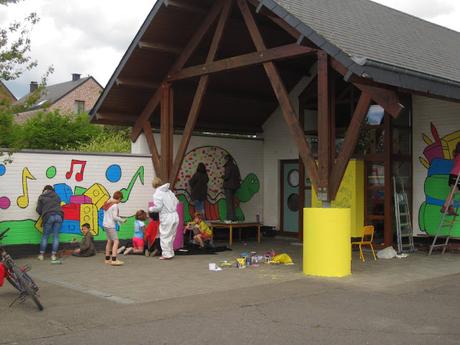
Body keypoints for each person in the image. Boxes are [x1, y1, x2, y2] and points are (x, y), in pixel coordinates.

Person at [149, 177, 179, 260]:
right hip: (175, 215)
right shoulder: (169, 191)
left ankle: (166, 254)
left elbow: (158, 207)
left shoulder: (157, 194)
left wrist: (151, 209)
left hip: (166, 216)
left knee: (165, 235)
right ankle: (170, 252)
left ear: (153, 185)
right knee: (172, 235)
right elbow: (177, 201)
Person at [36, 185, 63, 262]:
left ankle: (41, 255)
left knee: (45, 236)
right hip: (59, 216)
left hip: (48, 216)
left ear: (44, 190)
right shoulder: (57, 196)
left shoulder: (42, 197)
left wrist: (44, 213)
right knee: (56, 236)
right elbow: (58, 205)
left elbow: (38, 210)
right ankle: (53, 256)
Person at [102, 191, 125, 266]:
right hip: (110, 225)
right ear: (119, 198)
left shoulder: (107, 203)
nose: (120, 201)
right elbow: (114, 217)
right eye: (120, 200)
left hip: (105, 224)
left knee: (109, 241)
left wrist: (119, 222)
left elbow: (111, 216)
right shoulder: (115, 206)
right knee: (116, 241)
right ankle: (114, 259)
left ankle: (107, 259)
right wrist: (122, 220)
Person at [441, 142, 460, 216]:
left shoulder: (457, 156)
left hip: (454, 175)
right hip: (456, 175)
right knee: (453, 192)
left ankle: (450, 208)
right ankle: (445, 206)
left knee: (453, 192)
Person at [223, 154, 241, 221]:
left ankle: (230, 218)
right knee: (232, 202)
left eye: (225, 159)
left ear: (227, 159)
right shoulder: (235, 166)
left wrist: (223, 177)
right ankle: (233, 217)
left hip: (228, 186)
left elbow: (227, 176)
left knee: (229, 202)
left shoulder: (228, 166)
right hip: (235, 186)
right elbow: (238, 176)